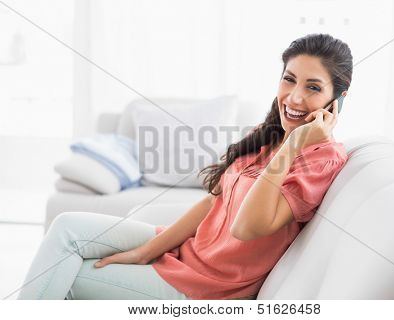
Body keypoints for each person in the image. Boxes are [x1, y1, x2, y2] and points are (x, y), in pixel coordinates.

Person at [18, 33, 353, 300]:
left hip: (207, 287)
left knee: (64, 275)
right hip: (188, 254)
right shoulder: (267, 135)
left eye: (312, 87)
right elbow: (213, 202)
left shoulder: (322, 157)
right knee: (65, 229)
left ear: (336, 100)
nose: (294, 98)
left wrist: (294, 144)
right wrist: (145, 252)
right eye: (289, 80)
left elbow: (245, 228)